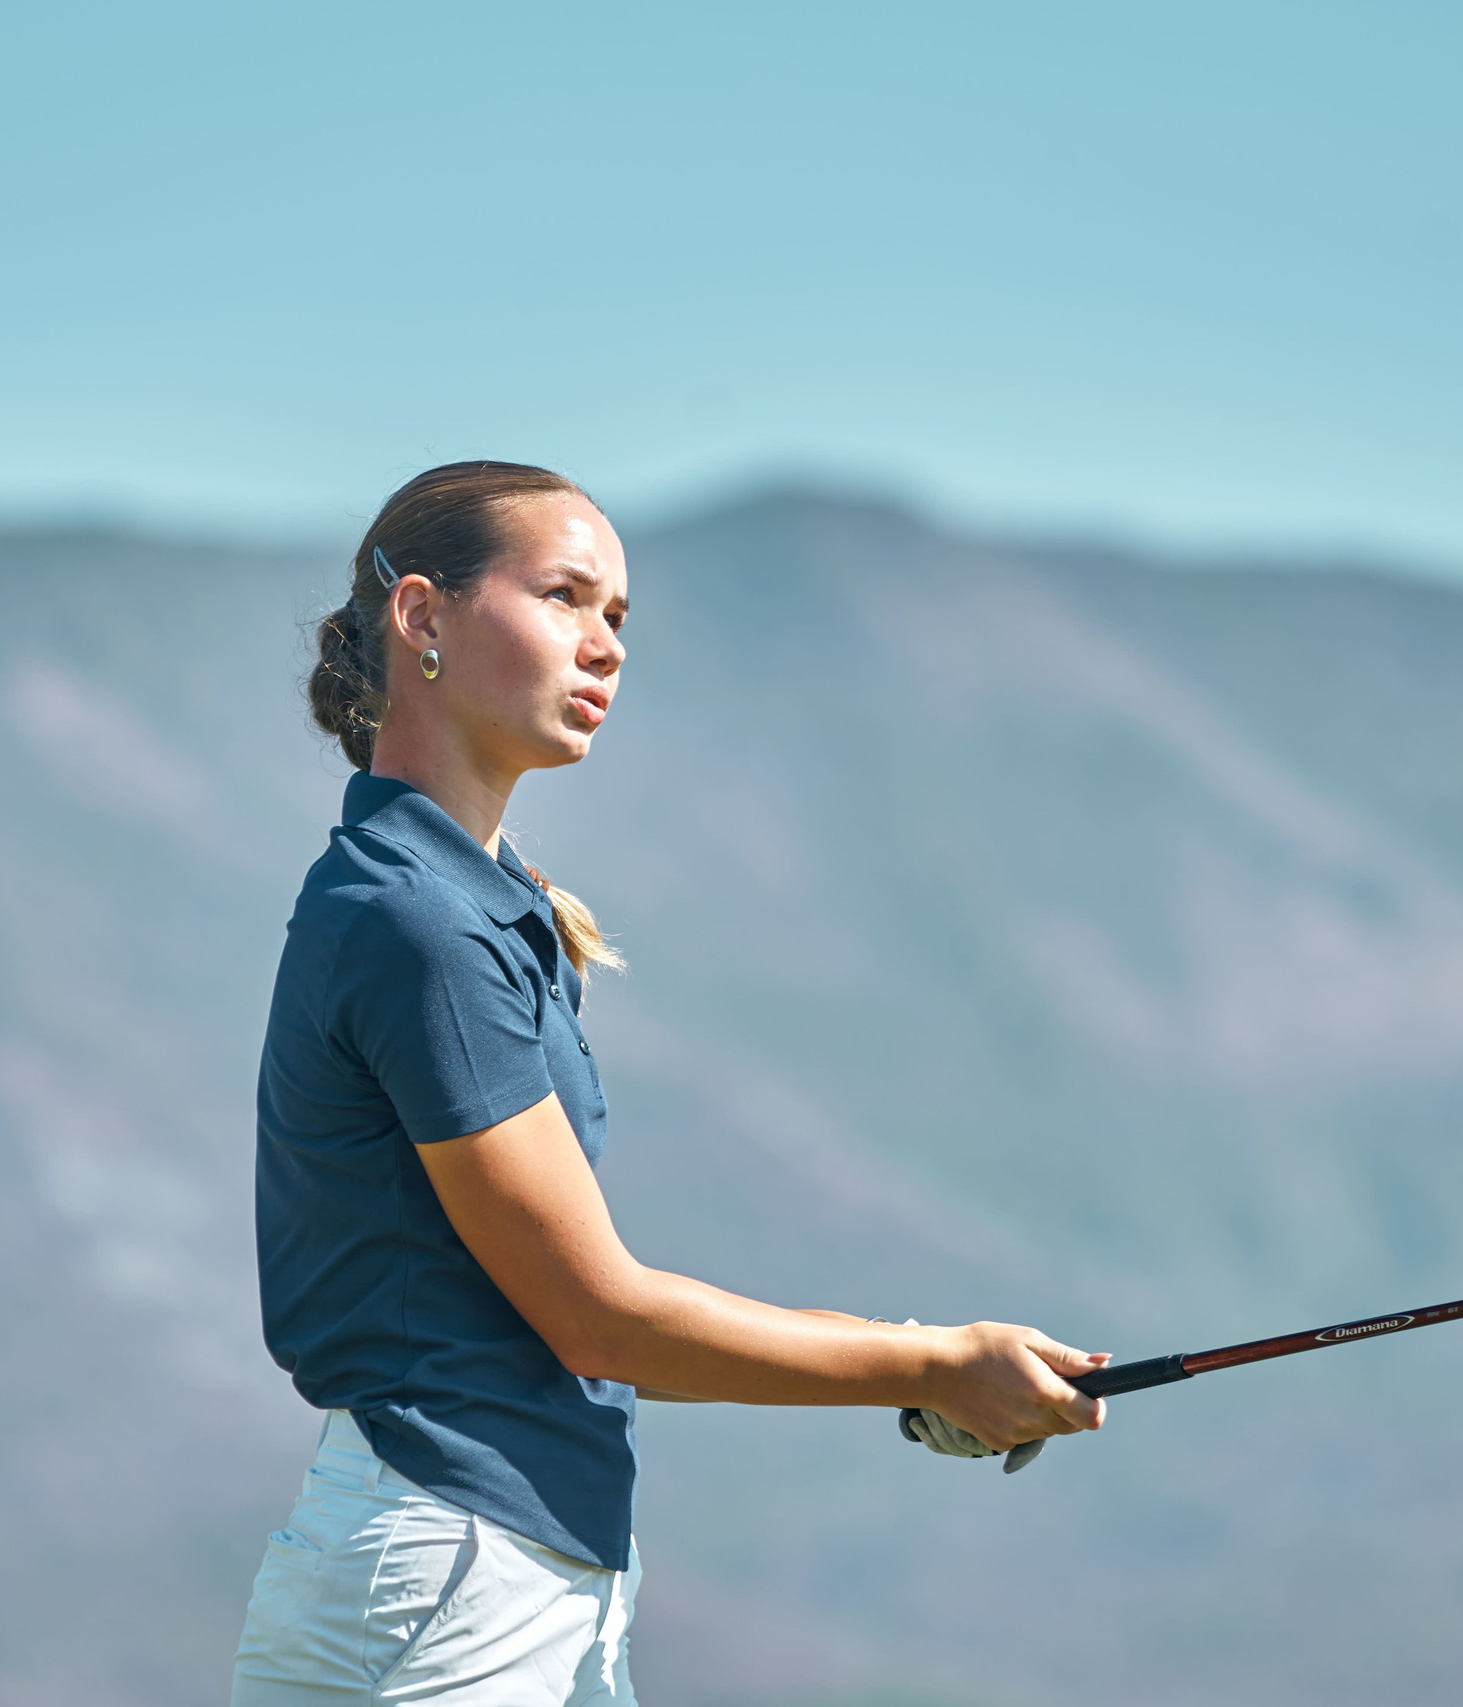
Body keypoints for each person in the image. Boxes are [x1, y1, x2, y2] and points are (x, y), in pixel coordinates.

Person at [232, 462, 1111, 1705]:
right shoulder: (416, 921)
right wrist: (929, 1367)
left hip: (513, 1572)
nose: (605, 646)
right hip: (448, 1583)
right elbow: (597, 1317)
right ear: (421, 615)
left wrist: (931, 1361)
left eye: (618, 617)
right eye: (563, 598)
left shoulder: (476, 905)